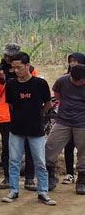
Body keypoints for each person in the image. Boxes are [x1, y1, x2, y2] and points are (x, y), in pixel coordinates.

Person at [1, 52, 56, 205]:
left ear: (27, 66)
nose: (16, 70)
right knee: (14, 161)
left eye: (19, 67)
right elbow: (10, 104)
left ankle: (43, 192)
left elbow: (48, 104)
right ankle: (13, 190)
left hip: (36, 129)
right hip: (16, 129)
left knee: (40, 161)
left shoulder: (40, 84)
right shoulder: (11, 84)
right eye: (14, 68)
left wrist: (38, 116)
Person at [0, 43, 38, 190]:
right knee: (7, 149)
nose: (6, 57)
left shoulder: (31, 70)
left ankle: (29, 179)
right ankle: (8, 178)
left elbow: (33, 88)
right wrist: (2, 81)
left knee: (30, 148)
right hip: (7, 115)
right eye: (5, 54)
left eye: (10, 55)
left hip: (27, 114)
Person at [46, 63, 85, 195]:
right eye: (75, 81)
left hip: (82, 123)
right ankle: (50, 176)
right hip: (63, 120)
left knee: (83, 151)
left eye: (81, 81)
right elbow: (57, 95)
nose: (78, 83)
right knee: (50, 146)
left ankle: (82, 180)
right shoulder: (62, 81)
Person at [60, 53, 84, 184]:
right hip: (67, 118)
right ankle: (69, 173)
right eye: (70, 61)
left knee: (82, 148)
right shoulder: (65, 77)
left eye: (75, 61)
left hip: (82, 121)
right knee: (68, 146)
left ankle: (82, 174)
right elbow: (59, 95)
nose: (72, 63)